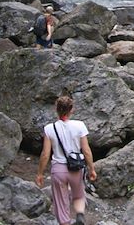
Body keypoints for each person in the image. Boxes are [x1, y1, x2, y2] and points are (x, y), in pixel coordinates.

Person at [36, 95, 97, 225]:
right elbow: (86, 150)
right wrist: (92, 169)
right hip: (76, 168)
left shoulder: (49, 128)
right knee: (79, 194)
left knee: (60, 202)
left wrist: (40, 173)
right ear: (72, 110)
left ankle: (65, 222)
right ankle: (80, 214)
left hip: (58, 170)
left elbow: (45, 154)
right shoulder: (80, 125)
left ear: (56, 109)